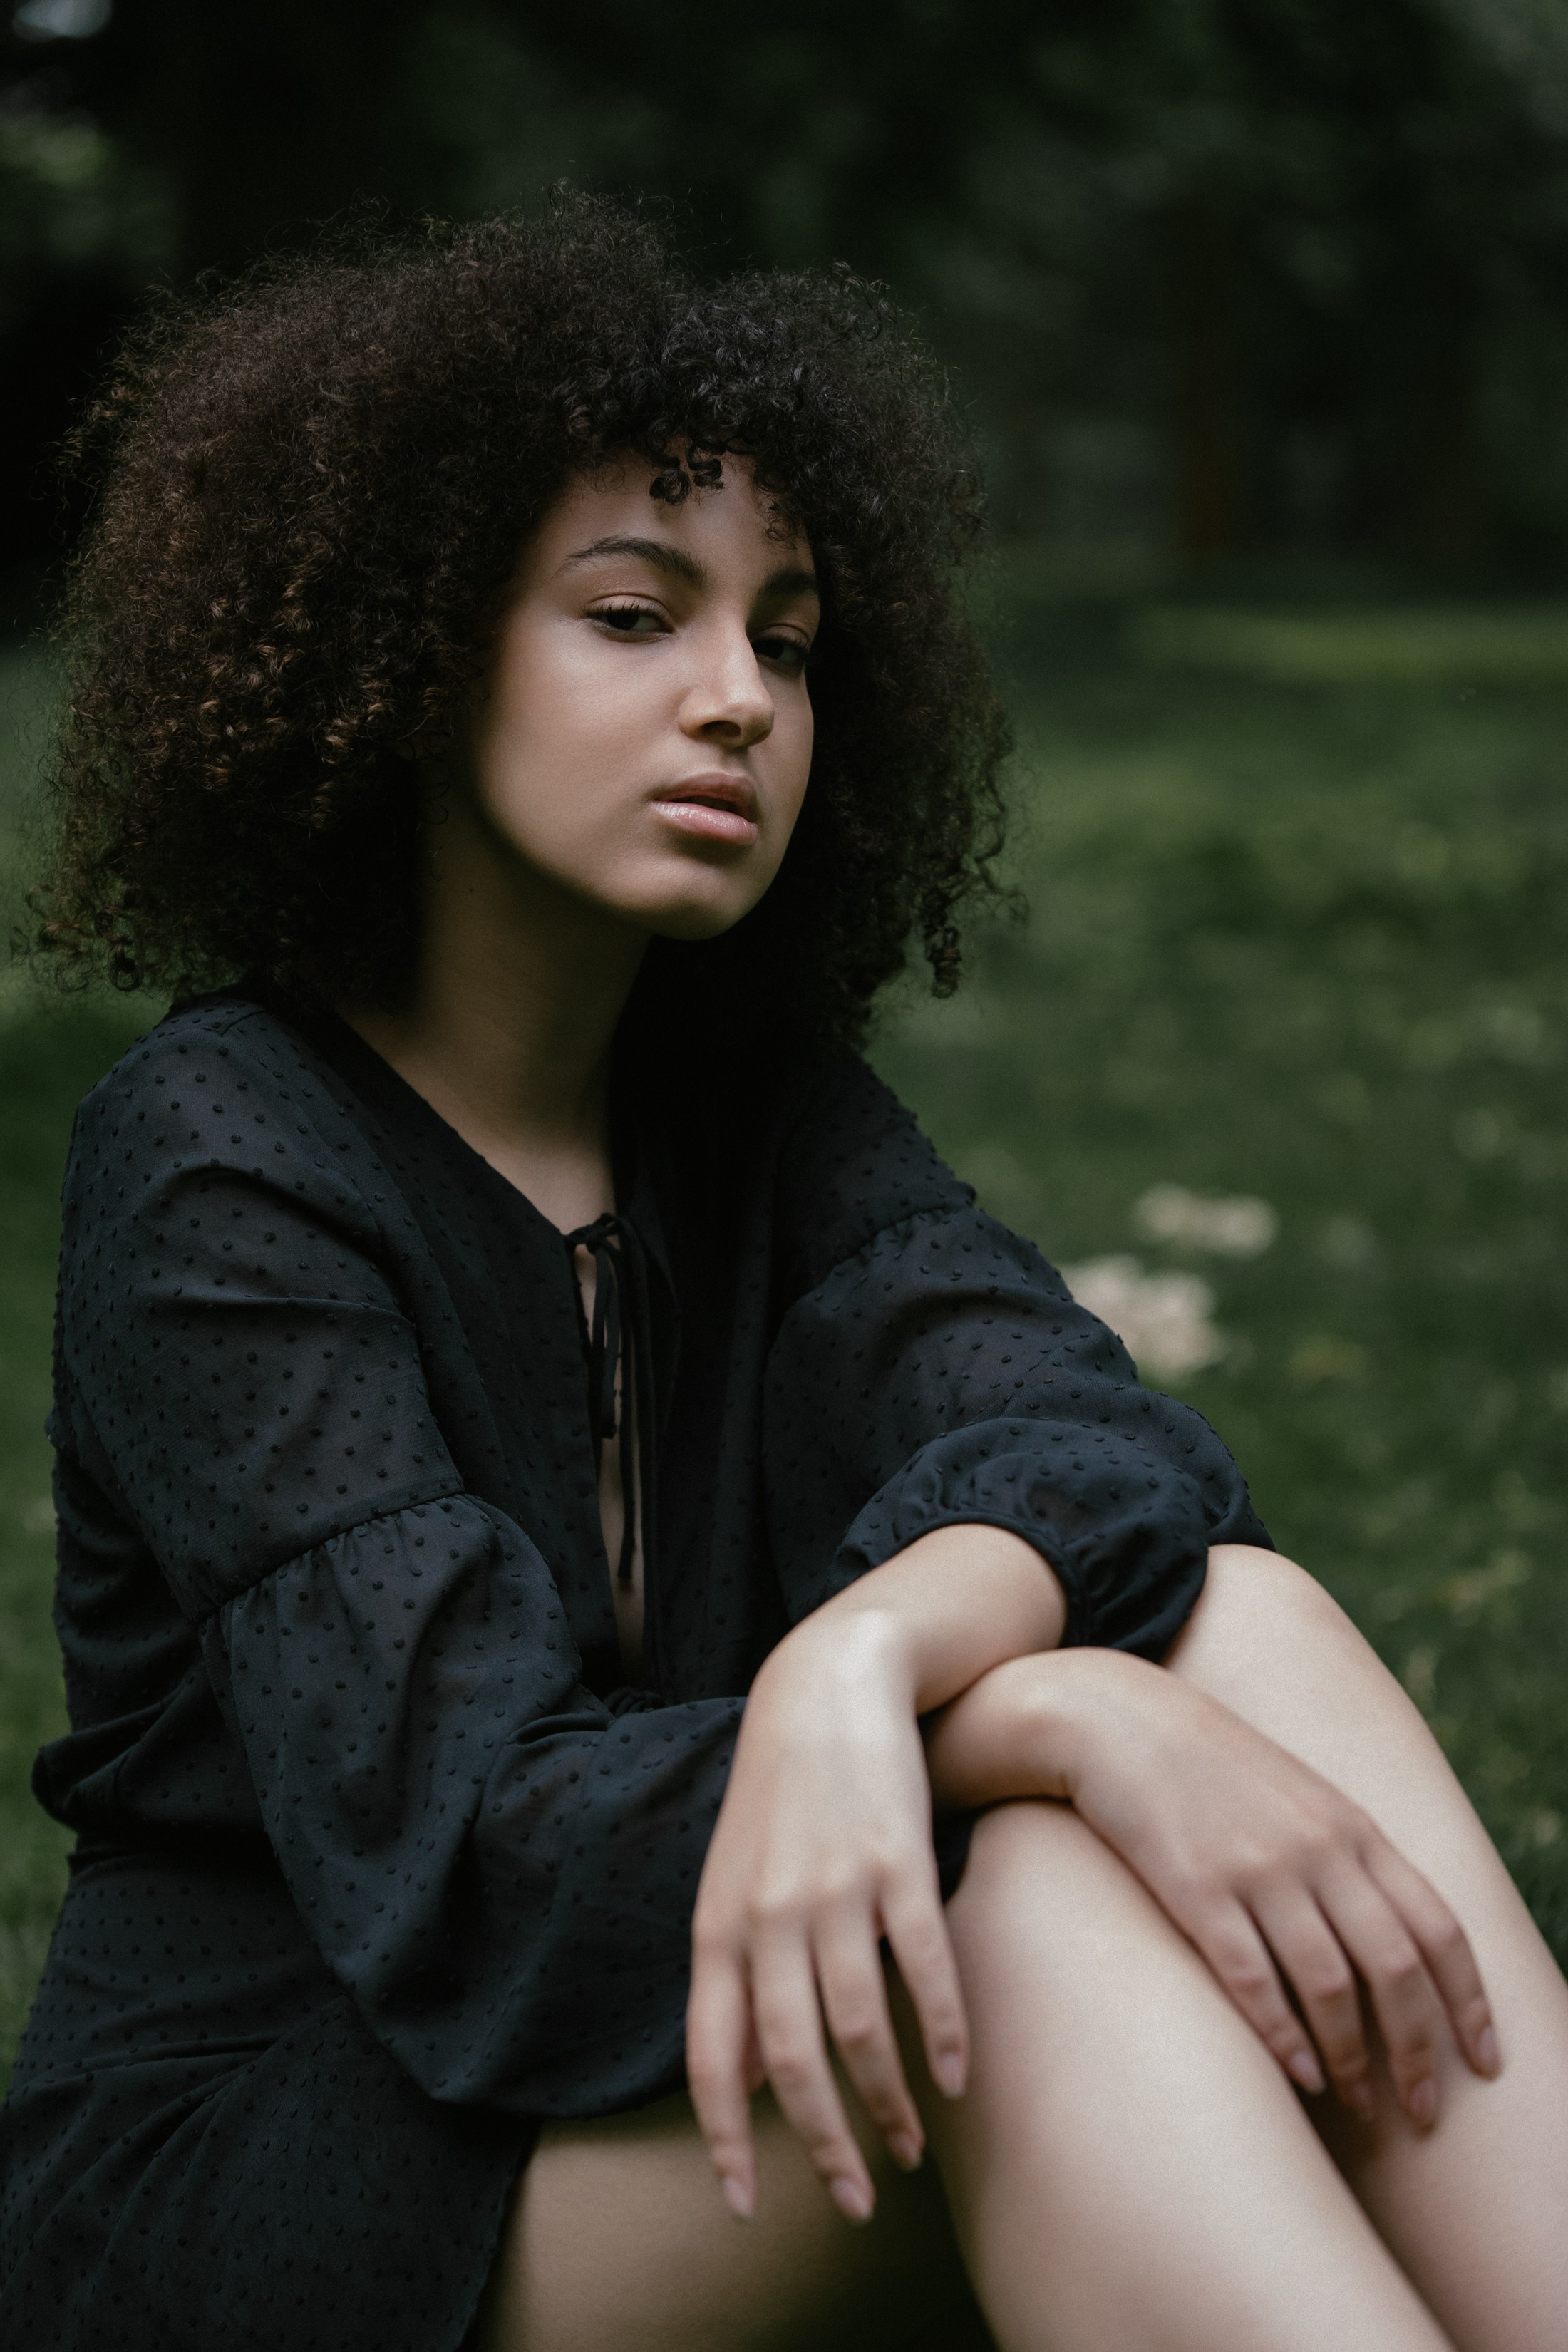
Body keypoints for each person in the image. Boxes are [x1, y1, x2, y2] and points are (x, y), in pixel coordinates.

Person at [2, 199, 1566, 2352]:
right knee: (1025, 1915)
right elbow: (473, 1864)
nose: (740, 700)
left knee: (1241, 1617)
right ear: (404, 643)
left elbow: (1116, 1462)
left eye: (793, 635)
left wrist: (883, 1660)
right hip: (294, 2165)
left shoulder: (752, 1110)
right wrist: (1038, 1711)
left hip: (680, 2034)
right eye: (637, 614)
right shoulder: (219, 1157)